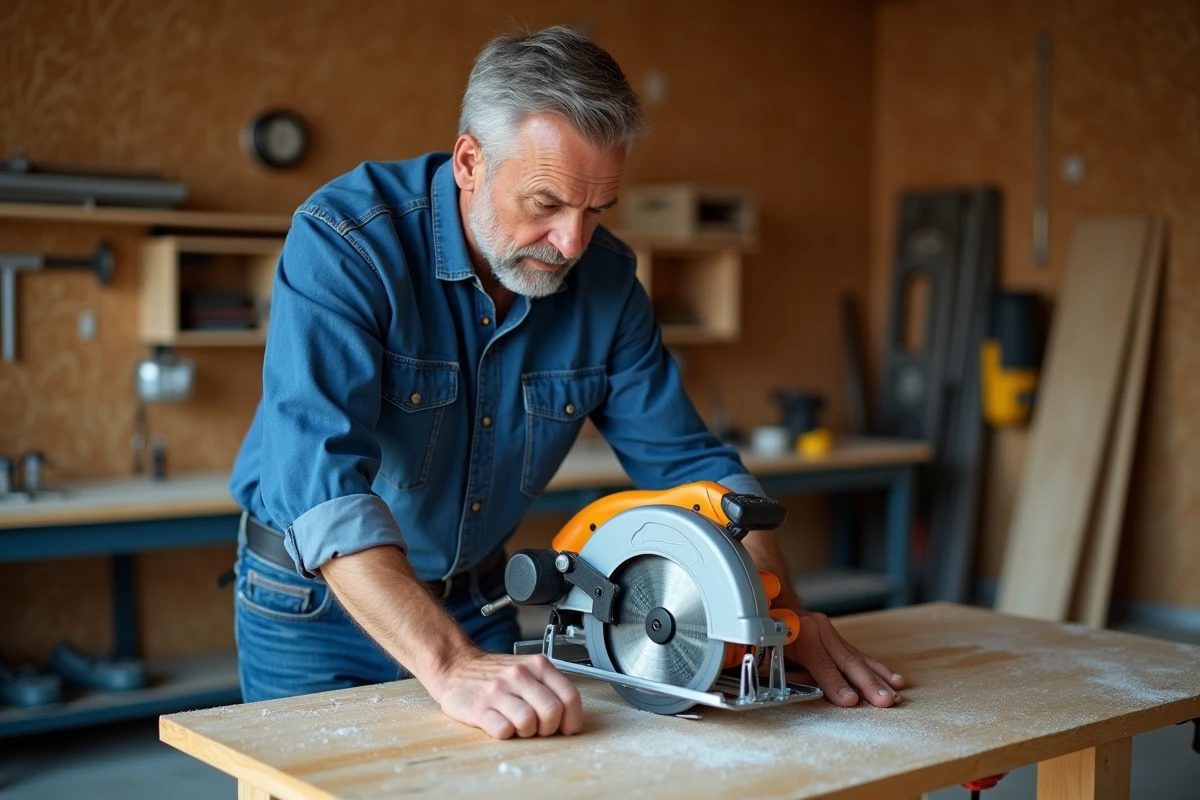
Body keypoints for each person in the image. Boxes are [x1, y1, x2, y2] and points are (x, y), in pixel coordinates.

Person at [228, 24, 904, 740]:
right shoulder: (346, 241)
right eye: (546, 204)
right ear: (468, 162)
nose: (573, 243)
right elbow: (323, 494)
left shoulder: (606, 280)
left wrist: (770, 619)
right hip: (310, 607)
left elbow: (693, 471)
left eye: (596, 210)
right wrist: (451, 666)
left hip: (469, 597)